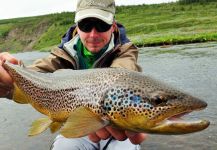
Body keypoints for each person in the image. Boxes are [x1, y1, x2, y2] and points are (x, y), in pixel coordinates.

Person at [0, 0, 147, 149]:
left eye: (102, 26)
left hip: (118, 127)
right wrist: (11, 74)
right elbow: (35, 73)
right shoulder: (63, 53)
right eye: (86, 25)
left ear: (113, 26)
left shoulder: (126, 51)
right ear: (77, 27)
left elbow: (123, 76)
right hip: (76, 127)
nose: (93, 34)